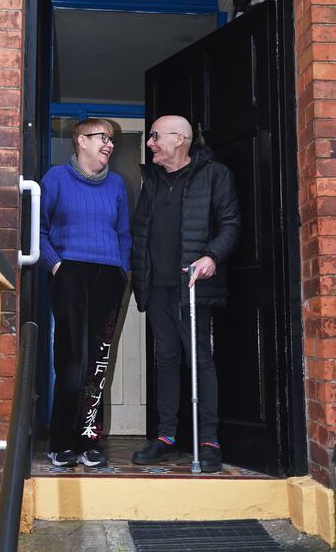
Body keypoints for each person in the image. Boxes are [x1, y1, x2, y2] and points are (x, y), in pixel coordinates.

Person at [131, 115, 241, 473]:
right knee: (165, 359)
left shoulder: (214, 174)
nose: (150, 143)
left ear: (179, 139)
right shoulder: (152, 180)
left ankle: (208, 440)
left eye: (155, 137)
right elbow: (142, 231)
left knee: (200, 360)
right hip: (157, 286)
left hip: (192, 286)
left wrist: (212, 256)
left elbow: (230, 224)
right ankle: (165, 436)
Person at [40, 117, 131, 468]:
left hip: (108, 275)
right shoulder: (56, 179)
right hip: (70, 272)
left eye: (111, 139)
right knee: (71, 360)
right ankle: (61, 441)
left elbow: (124, 233)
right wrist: (56, 265)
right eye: (101, 137)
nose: (109, 144)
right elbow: (39, 228)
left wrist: (122, 270)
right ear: (80, 140)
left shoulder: (118, 185)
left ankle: (89, 441)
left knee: (98, 362)